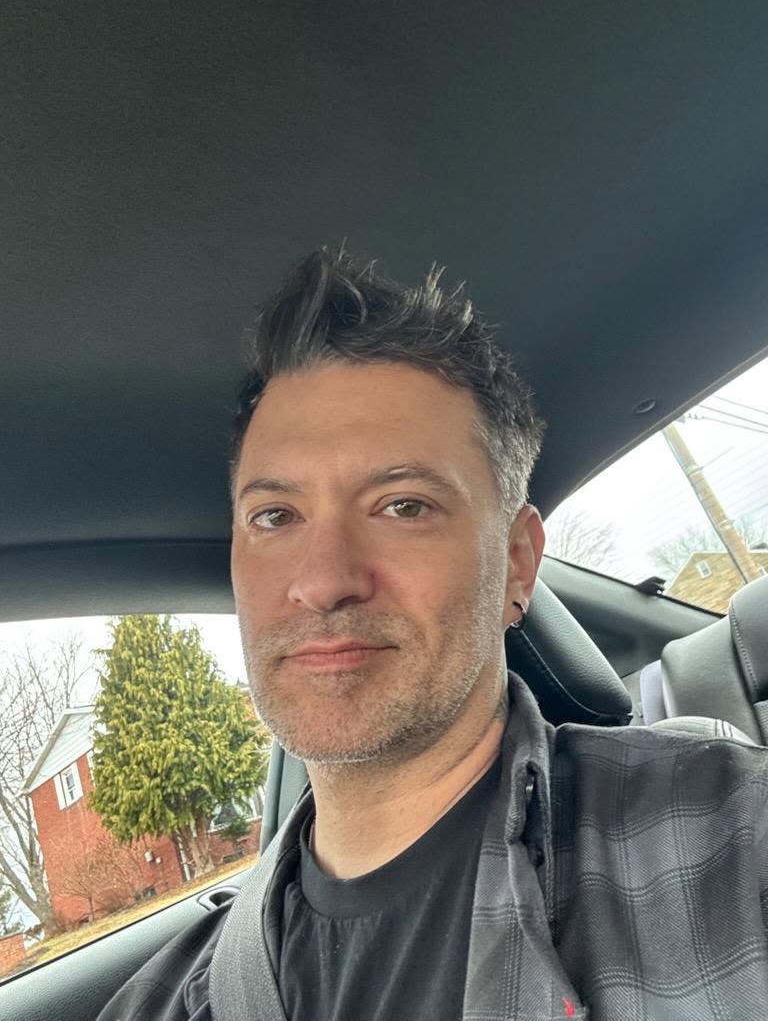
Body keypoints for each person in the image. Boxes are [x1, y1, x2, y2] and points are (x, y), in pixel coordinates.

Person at [98, 248, 768, 1021]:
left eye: (403, 505)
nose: (322, 580)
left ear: (517, 561)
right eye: (275, 516)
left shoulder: (726, 835)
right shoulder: (166, 1002)